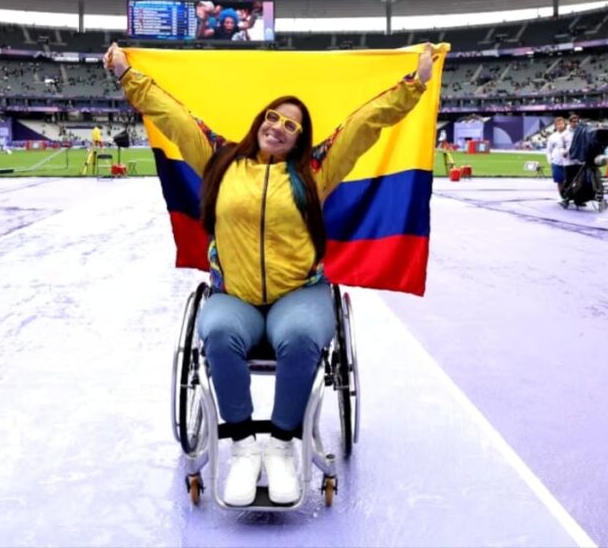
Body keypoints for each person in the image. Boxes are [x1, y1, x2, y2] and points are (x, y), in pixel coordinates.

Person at [104, 42, 437, 506]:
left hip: (298, 293)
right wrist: (127, 75)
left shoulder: (316, 170)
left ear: (300, 139)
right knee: (217, 333)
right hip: (234, 295)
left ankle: (281, 445)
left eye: (291, 125)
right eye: (273, 117)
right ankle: (243, 446)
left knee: (300, 337)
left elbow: (365, 125)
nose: (278, 127)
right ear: (260, 121)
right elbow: (173, 117)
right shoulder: (220, 161)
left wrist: (415, 83)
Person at [545, 117, 567, 195]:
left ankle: (571, 195)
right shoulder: (552, 137)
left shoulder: (570, 134)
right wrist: (550, 161)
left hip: (569, 161)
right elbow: (548, 150)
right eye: (558, 124)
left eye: (561, 123)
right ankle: (563, 197)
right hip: (557, 161)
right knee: (559, 181)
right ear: (555, 126)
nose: (560, 125)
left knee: (571, 180)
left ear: (564, 124)